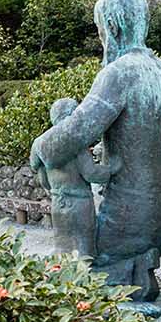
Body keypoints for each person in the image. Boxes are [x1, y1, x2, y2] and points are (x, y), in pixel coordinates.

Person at [30, 0, 161, 300]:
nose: (102, 38)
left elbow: (74, 134)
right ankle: (135, 273)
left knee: (73, 262)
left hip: (129, 222)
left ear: (112, 28)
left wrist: (39, 148)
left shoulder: (120, 72)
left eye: (101, 29)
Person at [40, 97, 119, 258]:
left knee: (62, 249)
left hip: (58, 202)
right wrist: (112, 169)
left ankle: (65, 281)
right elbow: (92, 174)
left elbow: (43, 179)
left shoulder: (40, 145)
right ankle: (88, 282)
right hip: (79, 203)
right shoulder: (75, 144)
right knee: (85, 251)